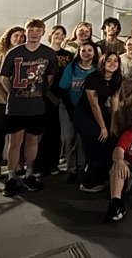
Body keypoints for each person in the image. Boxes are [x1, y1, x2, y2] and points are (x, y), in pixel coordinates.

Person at [0, 18, 57, 197]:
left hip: (37, 106)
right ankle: (11, 177)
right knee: (14, 141)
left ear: (43, 32)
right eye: (31, 30)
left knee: (33, 141)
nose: (34, 33)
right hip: (16, 106)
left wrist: (37, 93)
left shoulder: (49, 54)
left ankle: (29, 174)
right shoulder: (14, 52)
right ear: (26, 31)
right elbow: (5, 77)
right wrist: (14, 94)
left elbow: (49, 78)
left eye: (38, 30)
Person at [74, 51, 122, 192]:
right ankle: (89, 182)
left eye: (115, 61)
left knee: (112, 139)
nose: (112, 64)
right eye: (109, 61)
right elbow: (93, 105)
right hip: (84, 113)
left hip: (101, 110)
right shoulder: (92, 78)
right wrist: (103, 127)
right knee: (98, 139)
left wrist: (112, 124)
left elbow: (114, 103)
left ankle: (104, 177)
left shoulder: (117, 79)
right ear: (103, 63)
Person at [0, 25, 25, 179]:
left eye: (22, 36)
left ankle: (17, 162)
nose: (19, 39)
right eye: (16, 36)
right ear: (9, 37)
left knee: (18, 134)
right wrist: (8, 97)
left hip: (20, 102)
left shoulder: (25, 54)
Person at [58, 41, 98, 184]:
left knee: (82, 139)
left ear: (94, 53)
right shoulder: (72, 68)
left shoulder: (96, 70)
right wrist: (71, 111)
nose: (86, 53)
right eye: (83, 50)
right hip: (68, 107)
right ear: (79, 53)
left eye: (89, 50)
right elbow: (63, 90)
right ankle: (70, 168)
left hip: (86, 111)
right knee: (69, 138)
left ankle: (81, 167)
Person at [35, 25, 72, 177]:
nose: (59, 36)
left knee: (57, 132)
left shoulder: (68, 55)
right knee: (45, 132)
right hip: (47, 97)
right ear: (51, 35)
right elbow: (41, 78)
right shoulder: (43, 53)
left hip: (63, 97)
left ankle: (53, 164)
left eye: (62, 34)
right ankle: (39, 166)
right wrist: (50, 96)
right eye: (56, 33)